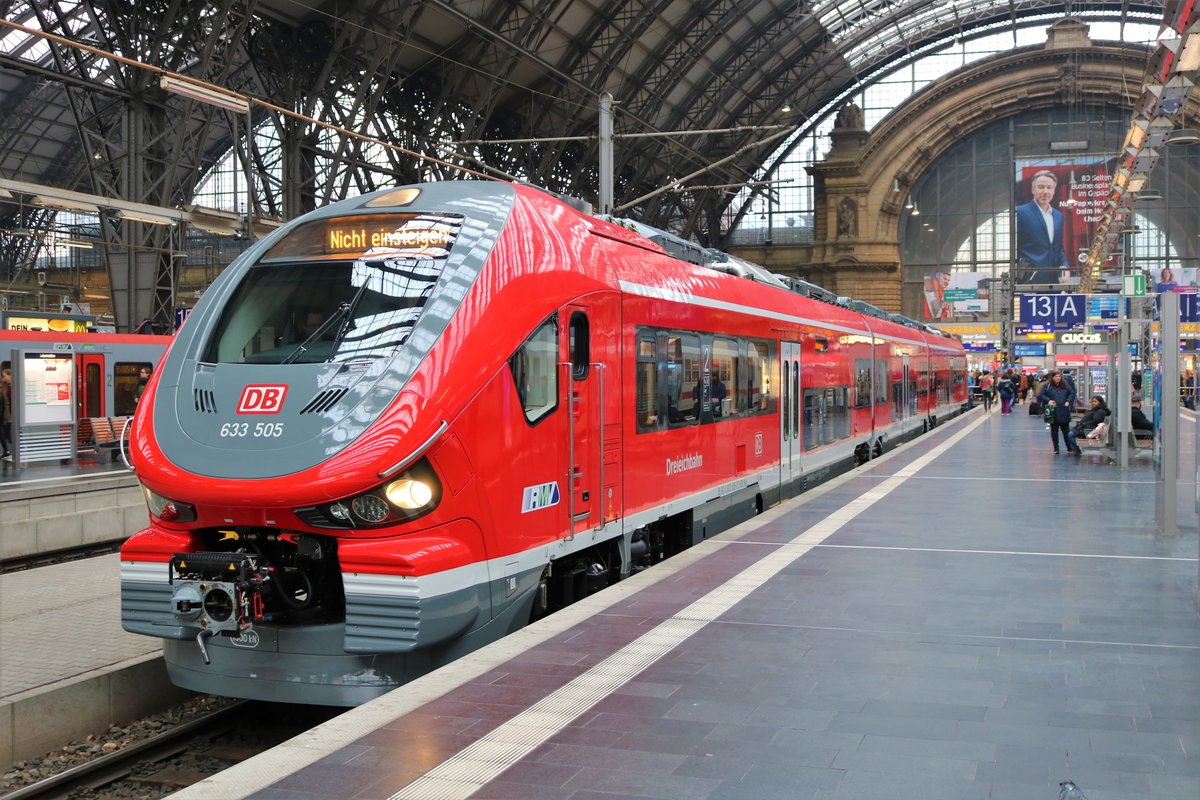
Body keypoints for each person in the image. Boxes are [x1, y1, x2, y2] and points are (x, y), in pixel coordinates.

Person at [1015, 169, 1070, 285]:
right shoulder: (1020, 212)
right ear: (1033, 189)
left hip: (1054, 280)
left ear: (1054, 190)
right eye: (1041, 187)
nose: (1045, 191)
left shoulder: (1059, 216)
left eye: (1049, 187)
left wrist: (1065, 266)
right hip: (1028, 280)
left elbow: (1058, 248)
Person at [1038, 371, 1080, 454]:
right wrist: (1048, 400)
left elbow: (1072, 393)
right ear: (1052, 377)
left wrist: (1068, 401)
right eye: (1056, 376)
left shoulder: (1065, 385)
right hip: (1052, 410)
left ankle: (1069, 447)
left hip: (1063, 409)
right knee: (1054, 430)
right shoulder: (1047, 386)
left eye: (1059, 376)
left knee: (1066, 430)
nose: (1058, 378)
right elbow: (1041, 395)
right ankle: (1056, 448)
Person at [0, 367, 11, 458]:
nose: (2, 378)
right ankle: (7, 451)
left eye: (4, 376)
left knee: (10, 436)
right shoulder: (5, 387)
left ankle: (21, 454)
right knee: (7, 435)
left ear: (10, 375)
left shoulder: (14, 386)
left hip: (12, 415)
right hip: (7, 415)